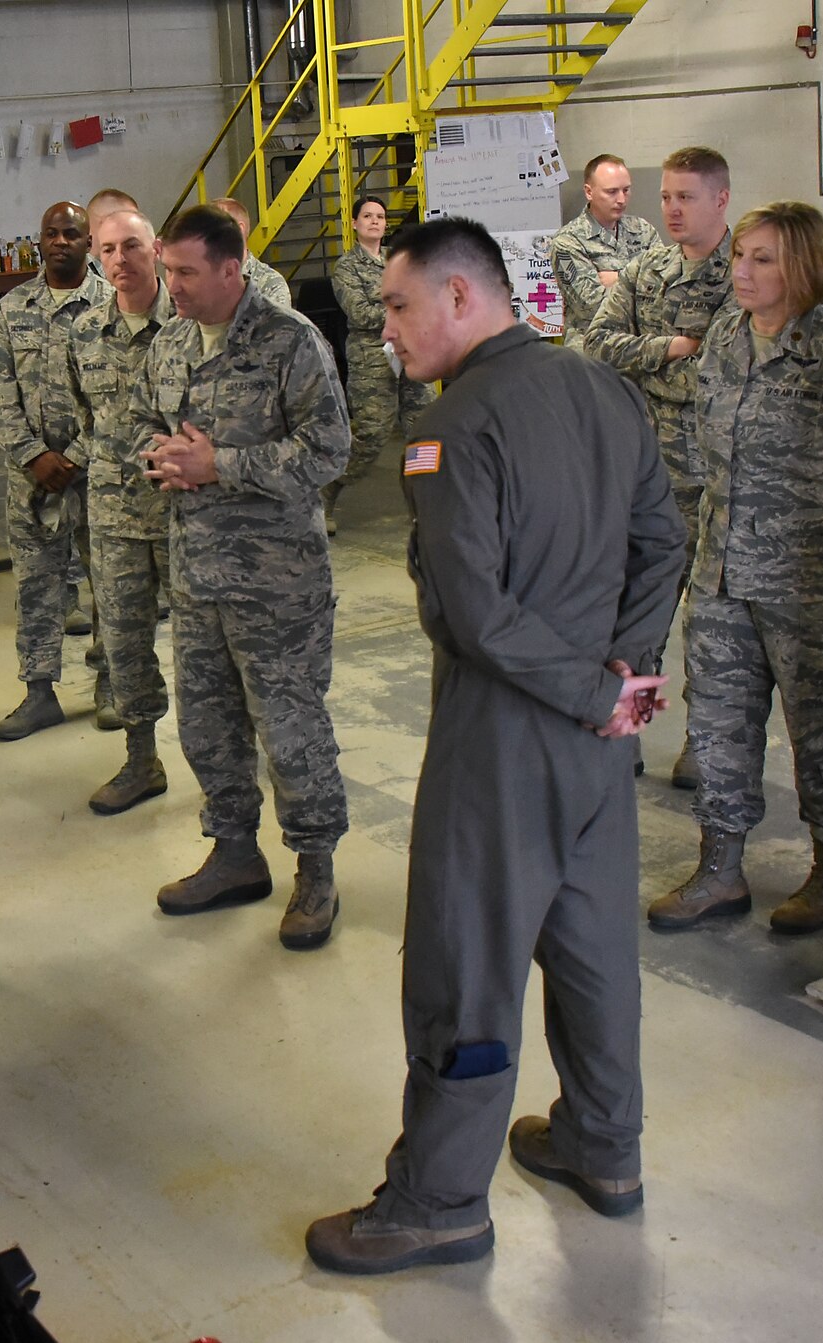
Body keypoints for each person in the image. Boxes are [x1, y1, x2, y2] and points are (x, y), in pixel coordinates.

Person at [304, 216, 684, 1276]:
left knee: (462, 962)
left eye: (395, 306)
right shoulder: (604, 390)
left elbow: (470, 613)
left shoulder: (447, 429)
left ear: (461, 298)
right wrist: (621, 675)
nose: (384, 329)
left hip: (503, 741)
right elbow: (664, 538)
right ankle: (603, 1146)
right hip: (598, 742)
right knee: (593, 948)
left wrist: (578, 688)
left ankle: (436, 1198)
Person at [132, 205, 350, 951]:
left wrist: (218, 464)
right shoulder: (167, 346)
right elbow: (141, 425)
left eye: (186, 272)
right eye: (168, 271)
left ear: (233, 268)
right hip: (195, 579)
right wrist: (159, 460)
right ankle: (234, 854)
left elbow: (328, 452)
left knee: (291, 733)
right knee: (207, 729)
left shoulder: (292, 342)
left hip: (277, 583)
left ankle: (315, 869)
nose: (174, 286)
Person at [646, 203, 823, 935]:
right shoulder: (726, 338)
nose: (741, 270)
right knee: (720, 723)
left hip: (808, 585)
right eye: (742, 255)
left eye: (763, 259)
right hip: (722, 571)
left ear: (801, 266)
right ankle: (720, 869)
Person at [588, 146, 734, 789]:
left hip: (721, 480)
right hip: (648, 481)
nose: (672, 209)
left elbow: (735, 363)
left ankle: (704, 745)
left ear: (721, 200)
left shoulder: (747, 274)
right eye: (667, 197)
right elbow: (598, 342)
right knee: (638, 619)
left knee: (713, 626)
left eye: (687, 197)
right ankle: (629, 730)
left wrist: (660, 365)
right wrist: (671, 347)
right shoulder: (647, 271)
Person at [0, 200, 113, 739]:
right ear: (40, 240)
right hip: (30, 482)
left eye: (71, 234)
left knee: (109, 584)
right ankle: (39, 694)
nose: (60, 242)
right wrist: (33, 454)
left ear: (88, 242)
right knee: (36, 587)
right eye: (51, 233)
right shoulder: (12, 309)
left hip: (100, 478)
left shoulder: (113, 306)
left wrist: (76, 456)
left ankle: (112, 685)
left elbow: (121, 397)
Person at [67, 207, 175, 816]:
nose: (118, 261)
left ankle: (236, 757)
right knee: (125, 646)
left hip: (184, 514)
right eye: (106, 250)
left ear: (154, 248)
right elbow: (86, 417)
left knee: (211, 647)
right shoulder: (84, 333)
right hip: (112, 518)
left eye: (130, 246)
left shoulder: (188, 325)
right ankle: (142, 761)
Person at [325, 195, 435, 535]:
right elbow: (359, 313)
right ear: (355, 223)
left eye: (381, 217)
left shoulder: (398, 260)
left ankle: (427, 503)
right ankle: (327, 489)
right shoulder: (347, 267)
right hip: (372, 357)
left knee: (426, 430)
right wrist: (401, 305)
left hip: (411, 350)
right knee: (372, 434)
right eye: (368, 216)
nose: (375, 221)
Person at [551, 154, 660, 358]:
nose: (621, 199)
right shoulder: (567, 242)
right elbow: (594, 307)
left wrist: (619, 278)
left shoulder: (643, 230)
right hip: (594, 357)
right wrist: (643, 282)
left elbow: (664, 291)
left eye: (626, 190)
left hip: (641, 353)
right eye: (611, 192)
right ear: (589, 192)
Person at [211, 197, 294, 310]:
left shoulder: (269, 284)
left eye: (212, 230)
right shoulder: (203, 281)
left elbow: (276, 326)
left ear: (239, 230)